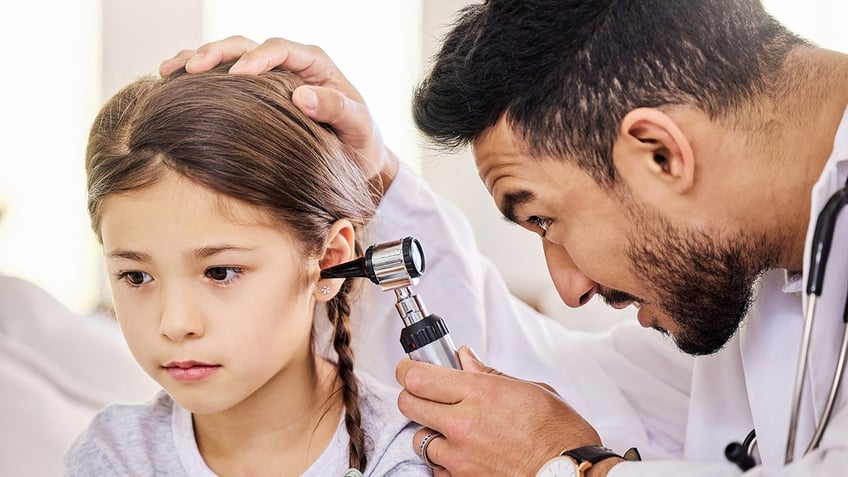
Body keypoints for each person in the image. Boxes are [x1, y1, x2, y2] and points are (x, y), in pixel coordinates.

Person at [160, 0, 848, 474]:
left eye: (545, 218)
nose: (571, 287)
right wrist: (370, 178)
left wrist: (574, 468)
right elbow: (552, 391)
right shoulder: (748, 273)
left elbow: (563, 444)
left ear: (659, 154)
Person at [64, 65, 431, 476]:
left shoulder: (407, 456)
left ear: (329, 262)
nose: (175, 323)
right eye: (136, 277)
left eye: (220, 272)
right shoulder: (113, 455)